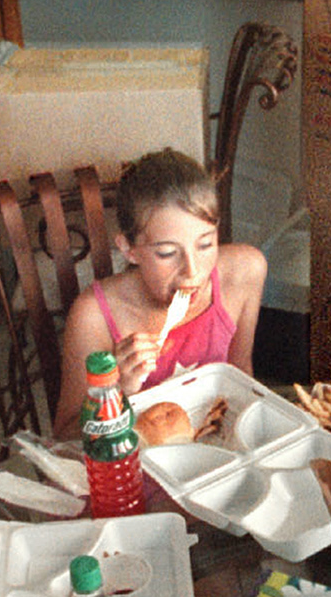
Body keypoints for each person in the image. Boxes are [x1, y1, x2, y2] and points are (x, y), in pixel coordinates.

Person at [55, 147, 266, 436]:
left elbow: (242, 379)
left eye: (205, 244)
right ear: (129, 249)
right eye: (167, 253)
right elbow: (64, 436)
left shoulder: (245, 272)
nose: (192, 270)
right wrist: (118, 393)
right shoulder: (94, 315)